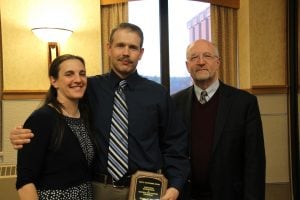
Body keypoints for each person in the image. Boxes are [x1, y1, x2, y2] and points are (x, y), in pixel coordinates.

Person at [10, 23, 190, 200]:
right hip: (98, 190)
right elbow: (56, 112)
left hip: (145, 190)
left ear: (141, 53)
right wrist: (23, 135)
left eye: (133, 47)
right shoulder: (88, 87)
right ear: (109, 48)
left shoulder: (157, 94)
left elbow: (175, 144)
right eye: (120, 45)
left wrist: (174, 186)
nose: (126, 52)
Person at [172, 39, 266, 200]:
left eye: (207, 56)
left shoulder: (244, 103)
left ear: (218, 62)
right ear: (188, 66)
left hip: (230, 195)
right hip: (185, 195)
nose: (201, 62)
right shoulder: (174, 103)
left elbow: (254, 162)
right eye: (194, 57)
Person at [16, 54, 96, 200]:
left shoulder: (85, 116)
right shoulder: (42, 119)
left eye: (82, 74)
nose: (78, 80)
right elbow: (25, 181)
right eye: (69, 74)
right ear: (54, 81)